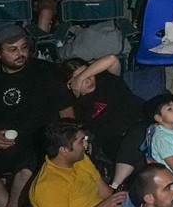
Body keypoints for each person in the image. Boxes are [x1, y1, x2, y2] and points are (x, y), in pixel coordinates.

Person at [0, 24, 73, 207]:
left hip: (38, 141)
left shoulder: (45, 71)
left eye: (24, 47)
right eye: (12, 50)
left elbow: (67, 110)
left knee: (26, 172)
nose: (20, 54)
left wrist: (68, 136)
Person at [62, 55, 148, 189]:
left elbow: (112, 59)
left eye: (88, 73)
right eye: (80, 78)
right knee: (138, 167)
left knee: (137, 135)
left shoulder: (106, 78)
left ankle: (115, 186)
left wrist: (80, 77)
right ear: (69, 85)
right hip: (114, 142)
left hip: (140, 123)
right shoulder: (73, 103)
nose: (88, 78)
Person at [29, 119, 129, 207]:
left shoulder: (80, 160)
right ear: (64, 150)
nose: (86, 143)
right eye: (81, 141)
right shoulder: (49, 186)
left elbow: (106, 193)